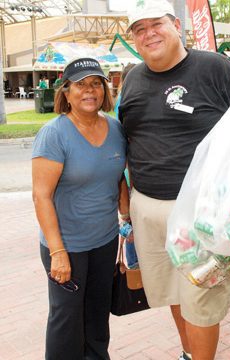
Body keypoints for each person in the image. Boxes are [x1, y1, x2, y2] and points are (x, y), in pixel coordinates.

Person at [119, 1, 230, 359]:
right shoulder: (131, 78)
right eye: (139, 29)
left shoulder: (215, 68)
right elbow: (127, 139)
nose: (148, 34)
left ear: (176, 25)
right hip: (147, 208)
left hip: (201, 209)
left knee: (202, 297)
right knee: (173, 293)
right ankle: (189, 354)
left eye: (155, 24)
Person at [32, 57, 128, 359]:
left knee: (97, 315)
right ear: (66, 92)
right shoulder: (55, 133)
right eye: (81, 84)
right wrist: (58, 252)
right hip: (67, 245)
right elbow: (41, 196)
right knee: (66, 319)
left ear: (105, 90)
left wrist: (128, 217)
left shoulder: (115, 129)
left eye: (96, 83)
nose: (90, 90)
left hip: (104, 240)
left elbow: (118, 179)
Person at [114, 63, 139, 269]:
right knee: (131, 221)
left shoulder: (122, 100)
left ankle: (133, 263)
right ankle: (133, 264)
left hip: (129, 173)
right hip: (131, 174)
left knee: (130, 221)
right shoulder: (127, 103)